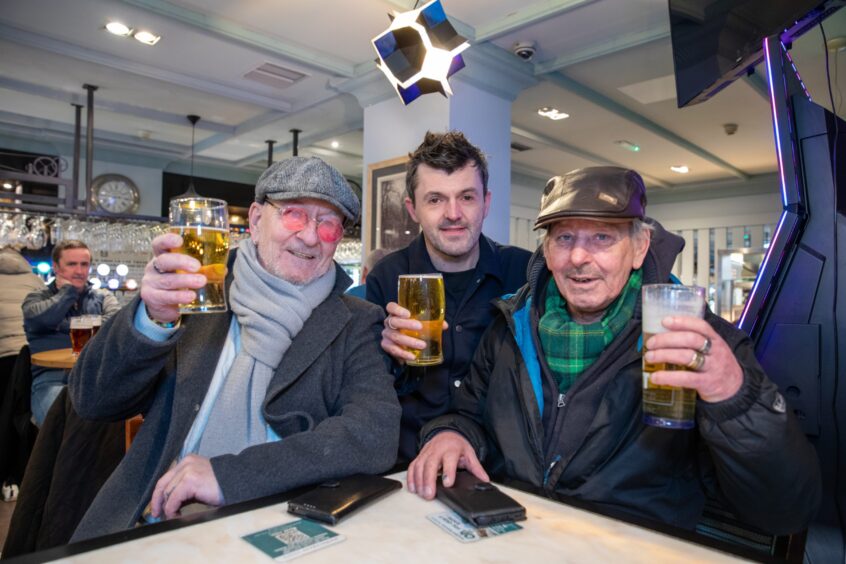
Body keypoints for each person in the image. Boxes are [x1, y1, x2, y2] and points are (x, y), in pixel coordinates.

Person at [407, 166, 821, 534]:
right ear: (547, 252)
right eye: (565, 237)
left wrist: (736, 398)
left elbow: (785, 510)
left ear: (639, 248)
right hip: (515, 536)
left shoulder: (697, 342)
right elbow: (467, 413)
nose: (579, 257)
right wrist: (450, 433)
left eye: (603, 237)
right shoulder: (508, 326)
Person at [68, 156, 401, 541]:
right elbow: (92, 400)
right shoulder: (193, 292)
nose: (310, 236)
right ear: (257, 220)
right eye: (294, 214)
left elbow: (372, 435)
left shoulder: (356, 320)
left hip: (279, 523)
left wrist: (228, 474)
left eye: (327, 224)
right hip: (157, 519)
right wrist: (152, 320)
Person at [366, 131, 531, 461]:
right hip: (406, 463)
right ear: (413, 209)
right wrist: (388, 355)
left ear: (486, 202)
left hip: (498, 467)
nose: (453, 213)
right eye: (435, 199)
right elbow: (365, 389)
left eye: (467, 197)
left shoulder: (525, 271)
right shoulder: (386, 276)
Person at [22, 240, 120, 426]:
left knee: (118, 424)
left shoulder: (103, 296)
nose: (79, 271)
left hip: (95, 379)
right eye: (72, 264)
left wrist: (61, 324)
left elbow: (114, 327)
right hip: (52, 379)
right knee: (66, 426)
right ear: (56, 267)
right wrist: (67, 293)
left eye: (84, 264)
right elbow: (39, 321)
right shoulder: (37, 297)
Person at [0, 246, 44, 498]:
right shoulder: (34, 280)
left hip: (3, 357)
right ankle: (17, 477)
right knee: (19, 418)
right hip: (26, 357)